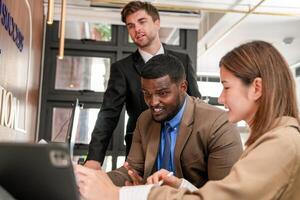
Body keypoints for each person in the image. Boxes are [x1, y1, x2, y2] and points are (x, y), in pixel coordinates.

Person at [75, 40, 300, 200]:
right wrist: (181, 185)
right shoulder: (274, 140)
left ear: (257, 88)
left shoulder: (280, 144)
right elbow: (132, 170)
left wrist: (119, 195)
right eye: (147, 94)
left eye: (226, 86)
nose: (221, 98)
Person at [75, 53, 243, 197]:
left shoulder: (219, 125)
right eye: (147, 94)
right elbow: (132, 170)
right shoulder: (145, 119)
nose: (153, 102)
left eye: (162, 93)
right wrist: (92, 180)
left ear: (183, 87)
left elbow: (224, 196)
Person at [85, 1, 201, 170]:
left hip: (183, 148)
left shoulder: (182, 60)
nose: (136, 29)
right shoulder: (122, 69)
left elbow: (195, 103)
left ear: (157, 23)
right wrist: (94, 159)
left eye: (142, 21)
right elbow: (108, 115)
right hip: (140, 150)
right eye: (130, 26)